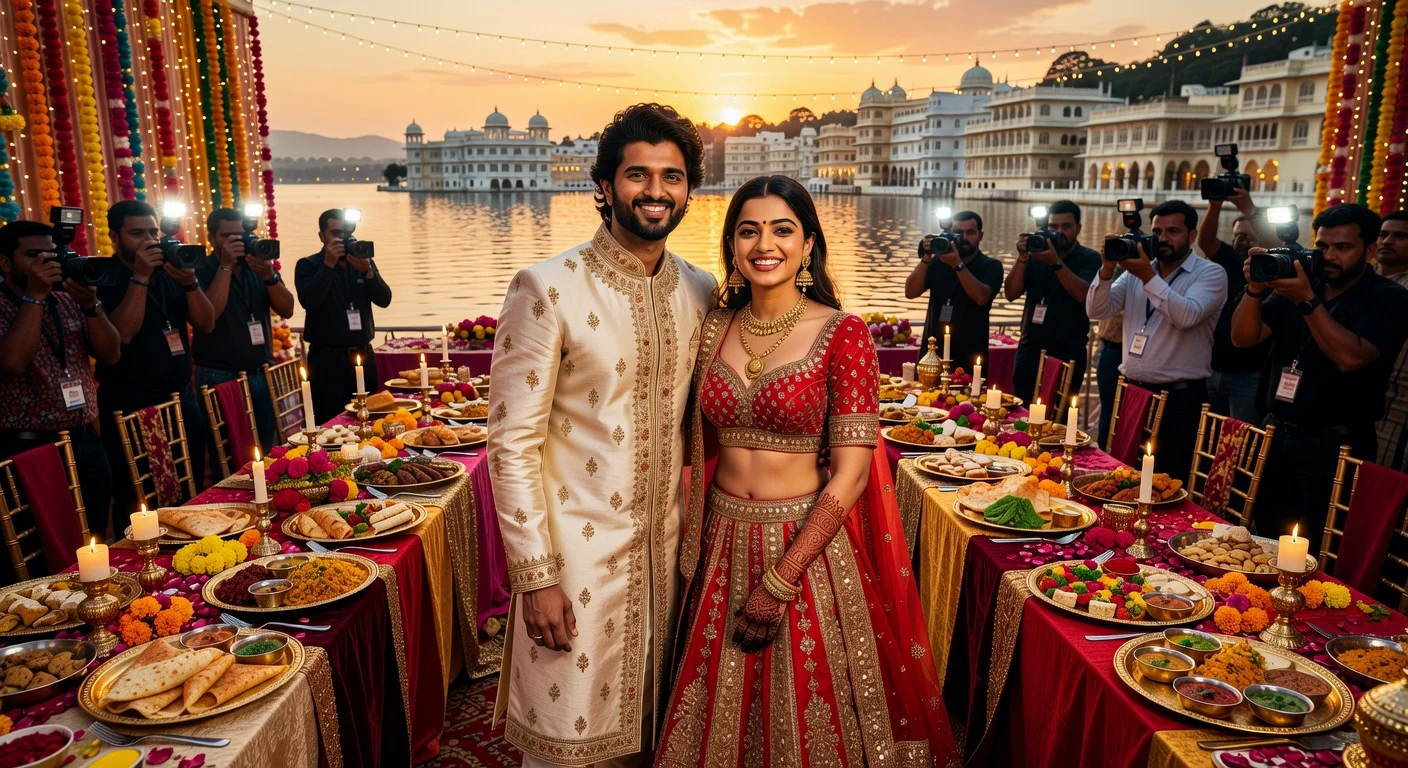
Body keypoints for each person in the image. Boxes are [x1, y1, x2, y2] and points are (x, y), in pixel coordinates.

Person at [656, 176, 959, 766]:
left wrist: (782, 578)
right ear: (732, 245)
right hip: (718, 539)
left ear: (809, 243)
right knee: (712, 710)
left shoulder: (842, 334)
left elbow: (850, 475)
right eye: (748, 230)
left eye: (781, 229)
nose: (763, 243)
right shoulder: (713, 326)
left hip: (806, 547)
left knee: (815, 714)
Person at [487, 103, 716, 767]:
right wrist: (536, 577)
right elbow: (511, 444)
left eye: (672, 177)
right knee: (568, 744)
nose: (655, 191)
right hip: (574, 560)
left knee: (654, 736)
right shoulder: (547, 288)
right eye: (637, 174)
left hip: (668, 557)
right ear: (606, 184)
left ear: (689, 191)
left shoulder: (700, 290)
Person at [1232, 203, 1408, 544]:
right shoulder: (1301, 283)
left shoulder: (1390, 299)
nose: (1329, 256)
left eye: (1343, 248)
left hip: (1337, 446)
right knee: (1265, 536)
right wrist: (1255, 288)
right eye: (1323, 246)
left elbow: (1350, 356)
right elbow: (1243, 338)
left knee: (1322, 546)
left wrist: (1308, 301)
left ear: (1370, 250)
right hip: (1279, 433)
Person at [1087, 201, 1227, 482]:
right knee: (1121, 477)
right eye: (1157, 231)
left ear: (1192, 235)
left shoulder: (1211, 273)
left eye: (1173, 231)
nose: (1162, 239)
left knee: (1167, 483)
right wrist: (1105, 269)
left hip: (1180, 398)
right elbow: (1097, 310)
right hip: (1133, 393)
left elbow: (1186, 315)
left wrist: (1147, 276)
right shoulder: (1136, 272)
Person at [0, 221, 121, 544]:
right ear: (5, 262)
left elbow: (110, 353)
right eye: (34, 255)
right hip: (29, 447)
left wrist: (91, 305)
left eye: (51, 254)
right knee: (43, 541)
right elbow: (12, 361)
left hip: (85, 440)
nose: (47, 263)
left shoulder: (68, 299)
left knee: (95, 534)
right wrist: (35, 296)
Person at [97, 200, 215, 517]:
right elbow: (121, 334)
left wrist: (190, 282)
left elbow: (206, 323)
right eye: (137, 233)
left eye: (153, 232)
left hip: (179, 397)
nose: (149, 241)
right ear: (114, 237)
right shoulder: (103, 277)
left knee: (190, 491)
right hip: (130, 403)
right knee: (138, 500)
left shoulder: (169, 272)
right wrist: (140, 276)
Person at [193, 208, 294, 453]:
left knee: (265, 448)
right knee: (227, 452)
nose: (237, 241)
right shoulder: (200, 269)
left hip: (260, 372)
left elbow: (287, 308)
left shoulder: (256, 265)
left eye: (241, 234)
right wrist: (226, 266)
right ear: (212, 238)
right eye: (228, 236)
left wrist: (269, 274)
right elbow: (209, 316)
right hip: (219, 375)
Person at [294, 209, 392, 424]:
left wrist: (368, 272)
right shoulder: (308, 265)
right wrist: (328, 265)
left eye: (347, 233)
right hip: (327, 361)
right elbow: (309, 301)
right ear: (322, 236)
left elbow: (384, 299)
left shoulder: (361, 262)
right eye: (336, 233)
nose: (343, 239)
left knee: (368, 421)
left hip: (363, 355)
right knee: (329, 424)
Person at [1007, 200, 1101, 404]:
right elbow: (1011, 294)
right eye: (1053, 227)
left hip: (1067, 352)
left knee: (1060, 420)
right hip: (1030, 348)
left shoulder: (1090, 258)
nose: (1059, 232)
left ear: (1078, 228)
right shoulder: (1035, 254)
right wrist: (1022, 257)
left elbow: (1081, 294)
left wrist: (1054, 262)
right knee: (1021, 412)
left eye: (1066, 226)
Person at [1197, 187, 1275, 422]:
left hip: (1250, 375)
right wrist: (1215, 206)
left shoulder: (1273, 268)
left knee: (1240, 443)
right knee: (1209, 436)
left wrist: (1250, 209)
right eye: (1239, 235)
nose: (1244, 240)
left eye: (1252, 235)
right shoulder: (1229, 259)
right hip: (1214, 369)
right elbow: (1206, 241)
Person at [904, 210, 1003, 372]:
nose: (964, 238)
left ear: (980, 235)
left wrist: (957, 264)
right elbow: (910, 292)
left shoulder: (991, 266)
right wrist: (926, 258)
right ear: (950, 234)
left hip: (970, 358)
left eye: (970, 232)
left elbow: (981, 297)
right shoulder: (938, 263)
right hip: (932, 356)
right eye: (958, 233)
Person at [1372, 210, 1408, 468]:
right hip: (1352, 400)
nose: (1387, 241)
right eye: (1383, 234)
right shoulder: (1362, 278)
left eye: (1400, 236)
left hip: (1398, 404)